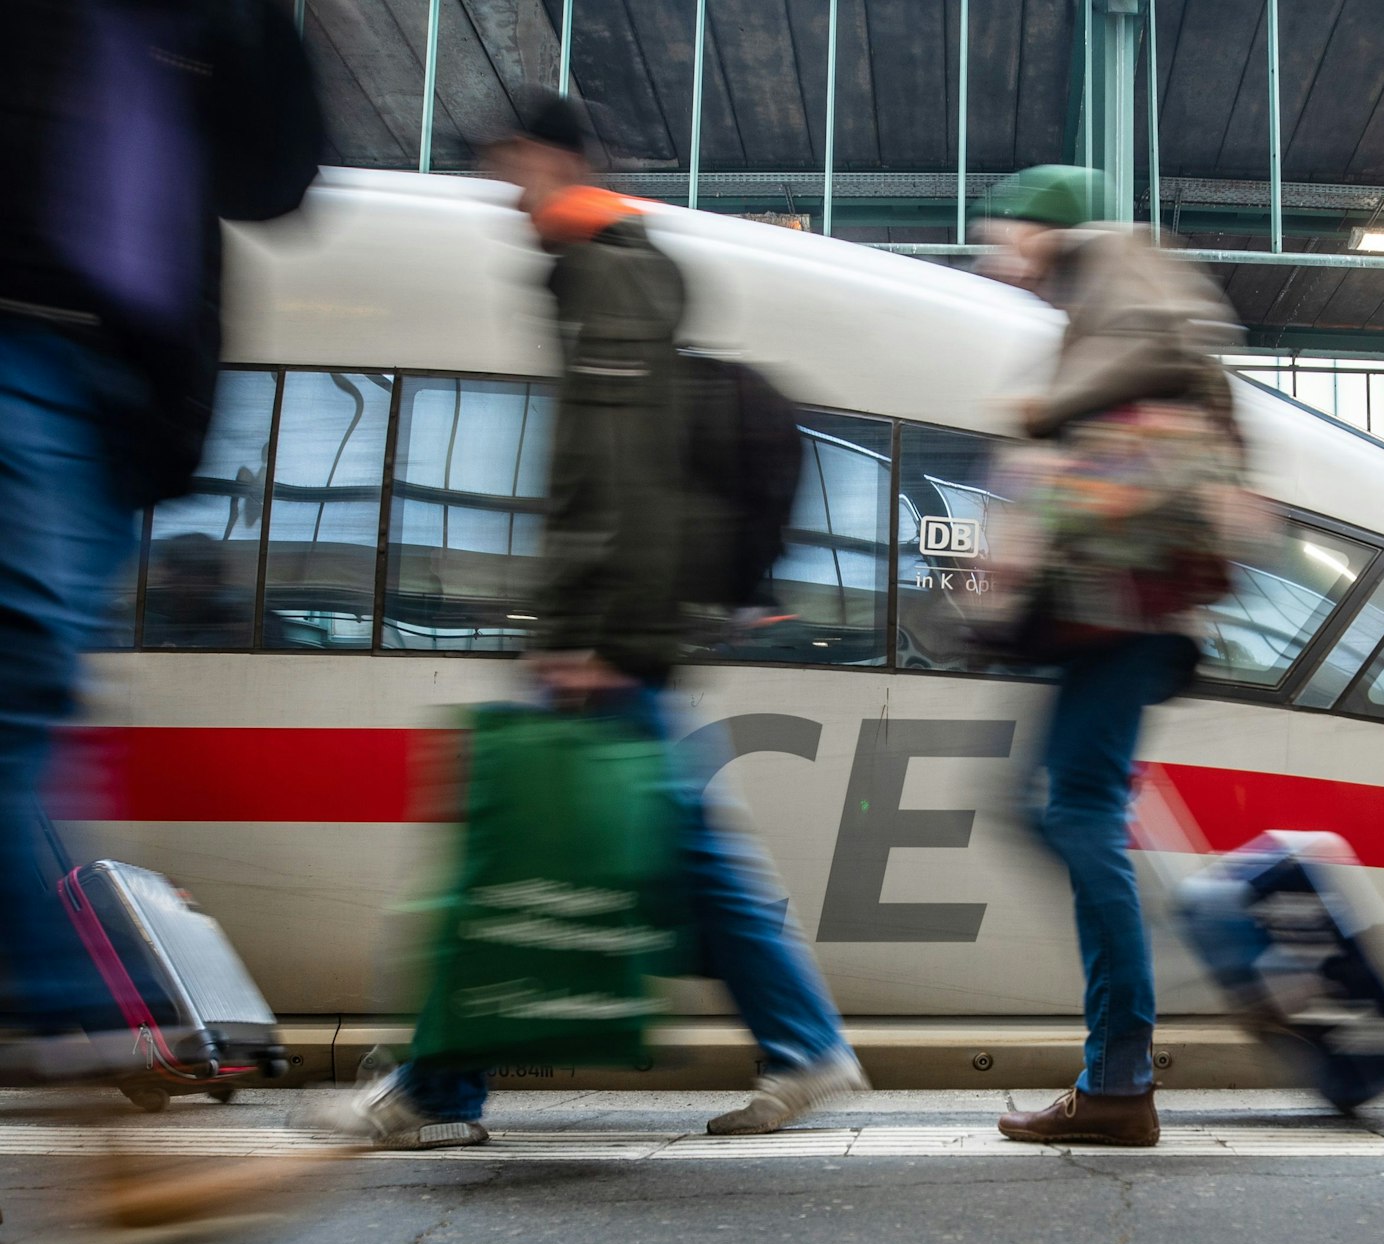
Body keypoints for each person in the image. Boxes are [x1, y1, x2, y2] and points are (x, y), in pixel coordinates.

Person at [337, 92, 867, 1149]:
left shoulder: (605, 271)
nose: (504, 196)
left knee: (512, 854)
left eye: (508, 168)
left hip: (609, 633)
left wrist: (590, 635)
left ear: (551, 158)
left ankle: (438, 1088)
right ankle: (807, 1045)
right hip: (622, 626)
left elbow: (618, 476)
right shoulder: (604, 268)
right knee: (687, 853)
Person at [0, 0, 322, 1071]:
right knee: (23, 692)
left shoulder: (196, 25)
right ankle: (96, 1019)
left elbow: (273, 178)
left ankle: (97, 1029)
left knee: (42, 704)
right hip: (25, 341)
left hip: (123, 401)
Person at [976, 168, 1247, 1149]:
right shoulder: (1106, 298)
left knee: (1073, 811)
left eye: (1005, 233)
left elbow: (1125, 405)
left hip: (1120, 607)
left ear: (1048, 228)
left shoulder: (1115, 284)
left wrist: (1040, 415)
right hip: (1117, 610)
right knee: (1053, 807)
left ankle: (1124, 1072)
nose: (995, 254)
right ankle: (1128, 1052)